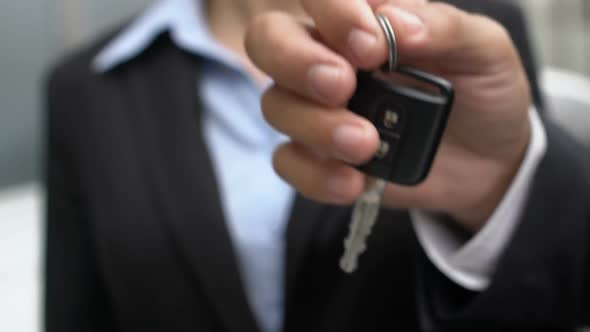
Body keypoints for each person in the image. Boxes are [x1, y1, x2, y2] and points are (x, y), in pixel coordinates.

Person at [44, 0, 590, 331]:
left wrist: (504, 191)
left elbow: (556, 302)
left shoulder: (472, 40)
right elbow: (77, 316)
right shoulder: (84, 89)